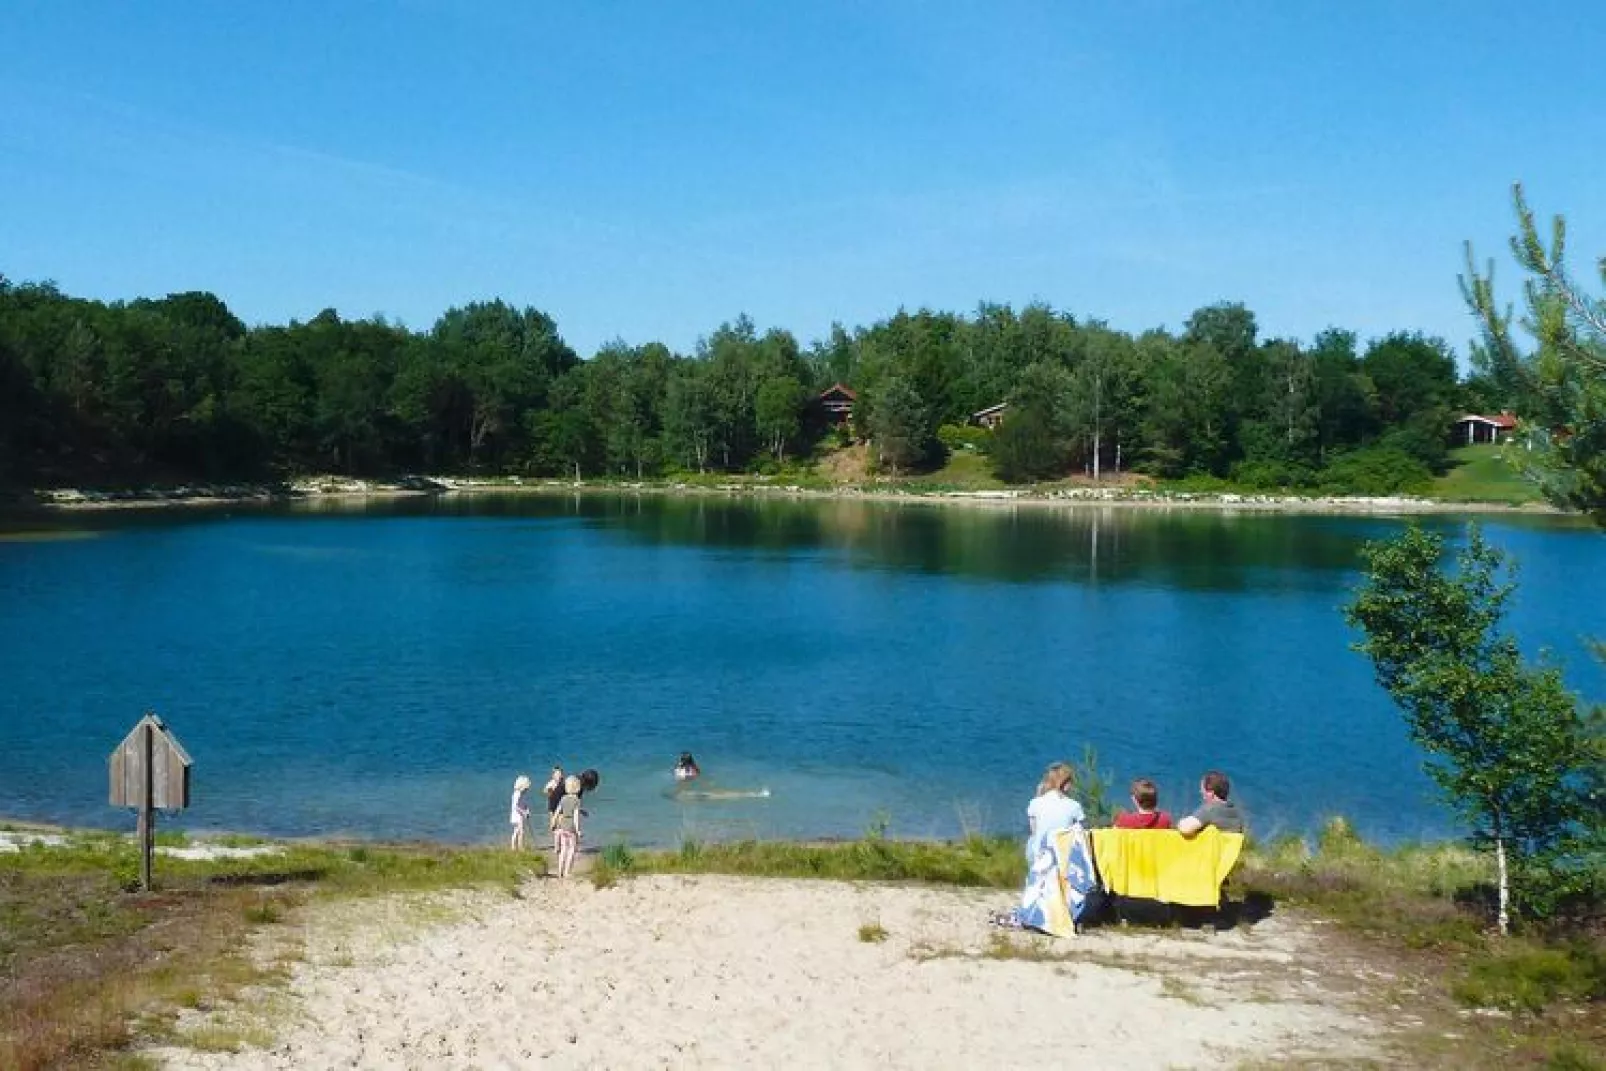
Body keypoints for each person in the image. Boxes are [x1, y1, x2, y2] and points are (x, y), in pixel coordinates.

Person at [1025, 762, 1085, 861]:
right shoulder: (1074, 806)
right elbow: (1080, 831)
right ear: (1066, 784)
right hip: (1064, 855)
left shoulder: (1035, 803)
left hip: (1040, 855)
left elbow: (1034, 830)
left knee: (1032, 839)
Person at [1177, 770, 1245, 837]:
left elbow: (1185, 828)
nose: (1200, 792)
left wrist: (1179, 823)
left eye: (1203, 789)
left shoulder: (1209, 810)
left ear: (1210, 793)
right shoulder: (1236, 814)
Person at [551, 774, 584, 878]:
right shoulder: (576, 801)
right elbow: (575, 817)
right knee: (572, 850)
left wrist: (553, 822)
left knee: (563, 849)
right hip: (570, 829)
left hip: (562, 827)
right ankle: (567, 872)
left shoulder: (563, 798)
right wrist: (578, 830)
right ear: (578, 788)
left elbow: (557, 811)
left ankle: (559, 871)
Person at [509, 774, 532, 851]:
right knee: (521, 831)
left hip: (518, 814)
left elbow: (523, 804)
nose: (527, 790)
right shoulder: (517, 794)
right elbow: (516, 806)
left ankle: (513, 847)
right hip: (517, 815)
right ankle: (520, 847)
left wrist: (527, 809)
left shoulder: (521, 794)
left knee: (516, 831)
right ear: (522, 786)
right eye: (526, 788)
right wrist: (524, 812)